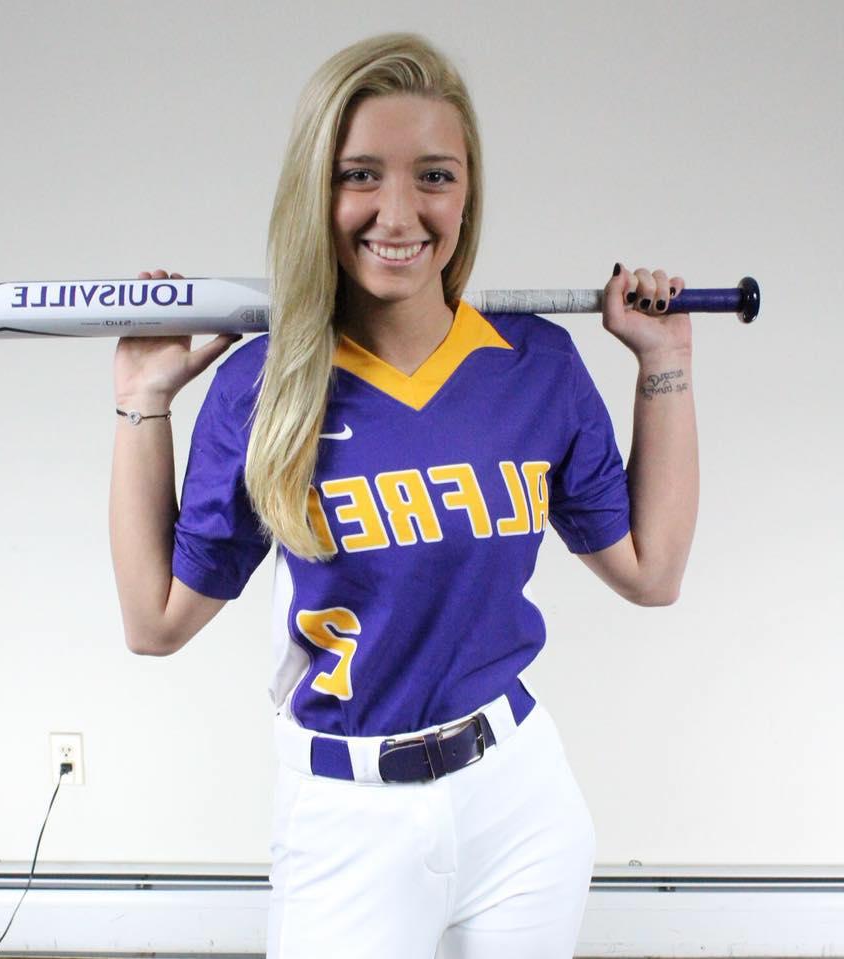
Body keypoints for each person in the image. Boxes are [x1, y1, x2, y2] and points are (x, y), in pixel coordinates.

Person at [109, 31, 698, 959]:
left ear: (467, 191)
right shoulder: (266, 385)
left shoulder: (535, 361)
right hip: (348, 814)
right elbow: (156, 620)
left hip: (520, 798)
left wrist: (664, 364)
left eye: (434, 175)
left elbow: (651, 571)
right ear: (317, 190)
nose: (398, 210)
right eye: (359, 175)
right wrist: (143, 400)